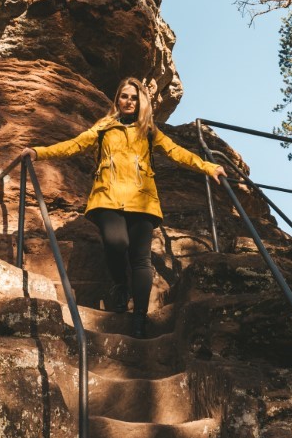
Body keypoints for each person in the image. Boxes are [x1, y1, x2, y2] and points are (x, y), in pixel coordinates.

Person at [21, 77, 226, 338]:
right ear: (117, 99)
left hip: (143, 201)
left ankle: (139, 316)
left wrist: (209, 167)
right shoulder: (105, 127)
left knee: (141, 260)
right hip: (108, 197)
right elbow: (74, 144)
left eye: (134, 97)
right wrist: (39, 152)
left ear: (141, 102)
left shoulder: (149, 131)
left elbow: (177, 153)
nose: (128, 101)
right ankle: (120, 285)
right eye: (124, 96)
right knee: (116, 242)